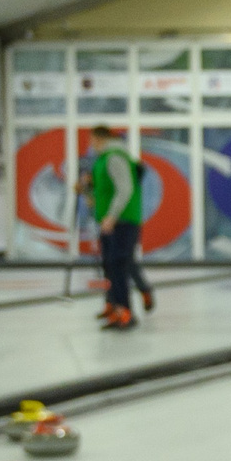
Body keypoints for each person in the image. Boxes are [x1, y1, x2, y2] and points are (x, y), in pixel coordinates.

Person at [89, 139, 152, 329]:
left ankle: (126, 308)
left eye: (93, 140)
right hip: (113, 220)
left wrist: (112, 216)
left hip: (122, 221)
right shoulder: (104, 160)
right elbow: (103, 191)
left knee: (121, 264)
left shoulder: (115, 158)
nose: (92, 145)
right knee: (111, 264)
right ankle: (115, 306)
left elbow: (125, 189)